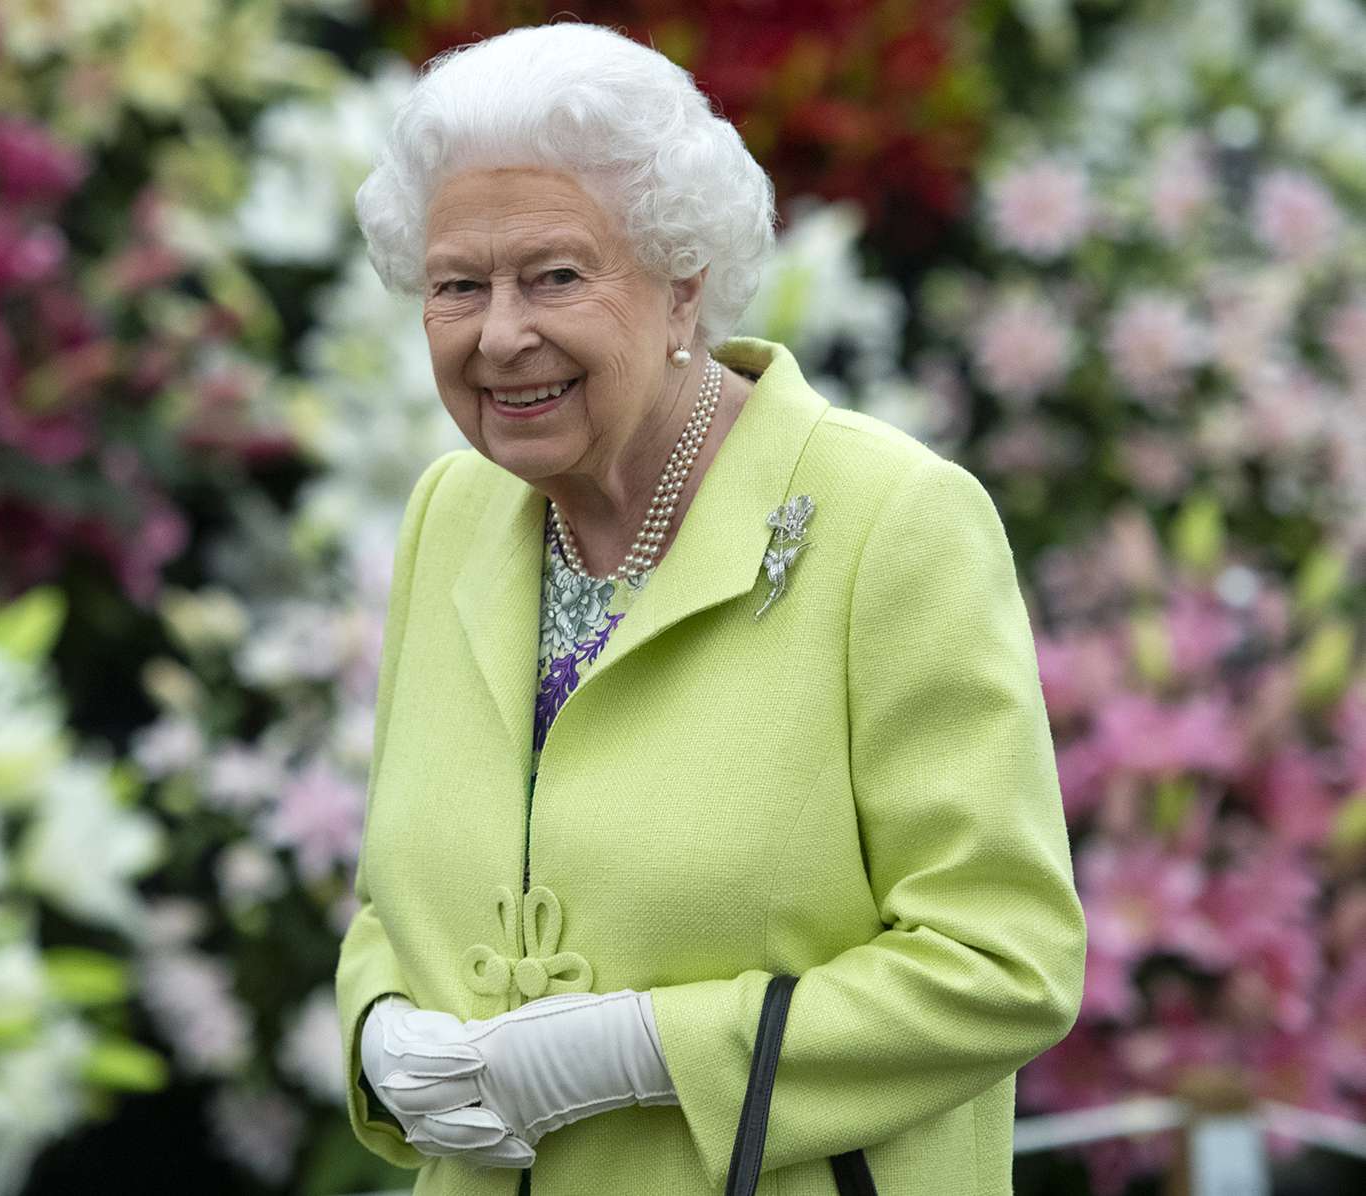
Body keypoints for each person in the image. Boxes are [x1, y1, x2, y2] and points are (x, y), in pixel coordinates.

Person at [335, 21, 1086, 1196]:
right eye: (455, 285)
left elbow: (1006, 958)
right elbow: (405, 888)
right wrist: (377, 1024)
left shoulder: (891, 519)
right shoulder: (454, 512)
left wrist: (643, 1050)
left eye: (555, 275)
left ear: (682, 283)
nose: (498, 334)